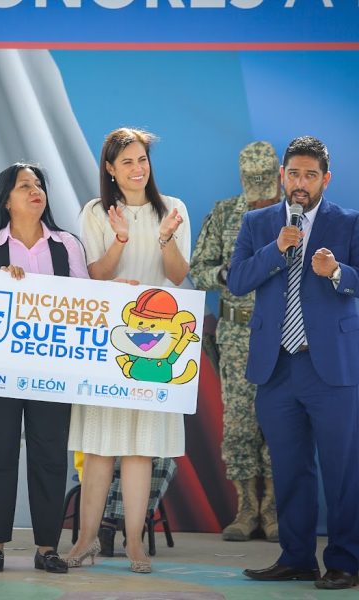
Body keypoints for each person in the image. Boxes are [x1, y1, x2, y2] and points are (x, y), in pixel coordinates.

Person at [228, 136, 359, 590]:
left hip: (332, 369)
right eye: (295, 174)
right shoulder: (257, 222)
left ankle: (345, 561)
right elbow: (237, 280)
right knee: (289, 468)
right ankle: (297, 557)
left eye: (311, 175)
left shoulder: (349, 222)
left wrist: (337, 272)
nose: (301, 183)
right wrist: (274, 250)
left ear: (326, 179)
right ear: (283, 175)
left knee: (343, 469)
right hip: (277, 368)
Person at [67, 127, 191, 574]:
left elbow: (177, 275)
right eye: (127, 162)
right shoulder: (95, 211)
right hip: (109, 340)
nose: (138, 169)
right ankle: (84, 540)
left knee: (141, 450)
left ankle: (135, 542)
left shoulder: (173, 209)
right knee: (100, 448)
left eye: (142, 160)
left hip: (156, 346)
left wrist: (165, 238)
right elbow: (94, 274)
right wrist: (119, 240)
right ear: (110, 169)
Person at [0, 163, 89, 575]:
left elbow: (85, 302)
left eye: (39, 185)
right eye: (25, 186)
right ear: (6, 199)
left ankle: (47, 548)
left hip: (52, 370)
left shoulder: (66, 245)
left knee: (50, 456)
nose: (36, 191)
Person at [190, 141, 281, 543]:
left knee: (281, 425)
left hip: (284, 336)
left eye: (267, 185)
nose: (260, 195)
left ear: (279, 176)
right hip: (236, 335)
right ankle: (246, 509)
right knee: (240, 424)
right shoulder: (226, 213)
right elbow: (198, 270)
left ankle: (273, 510)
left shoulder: (297, 216)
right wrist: (226, 275)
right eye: (253, 186)